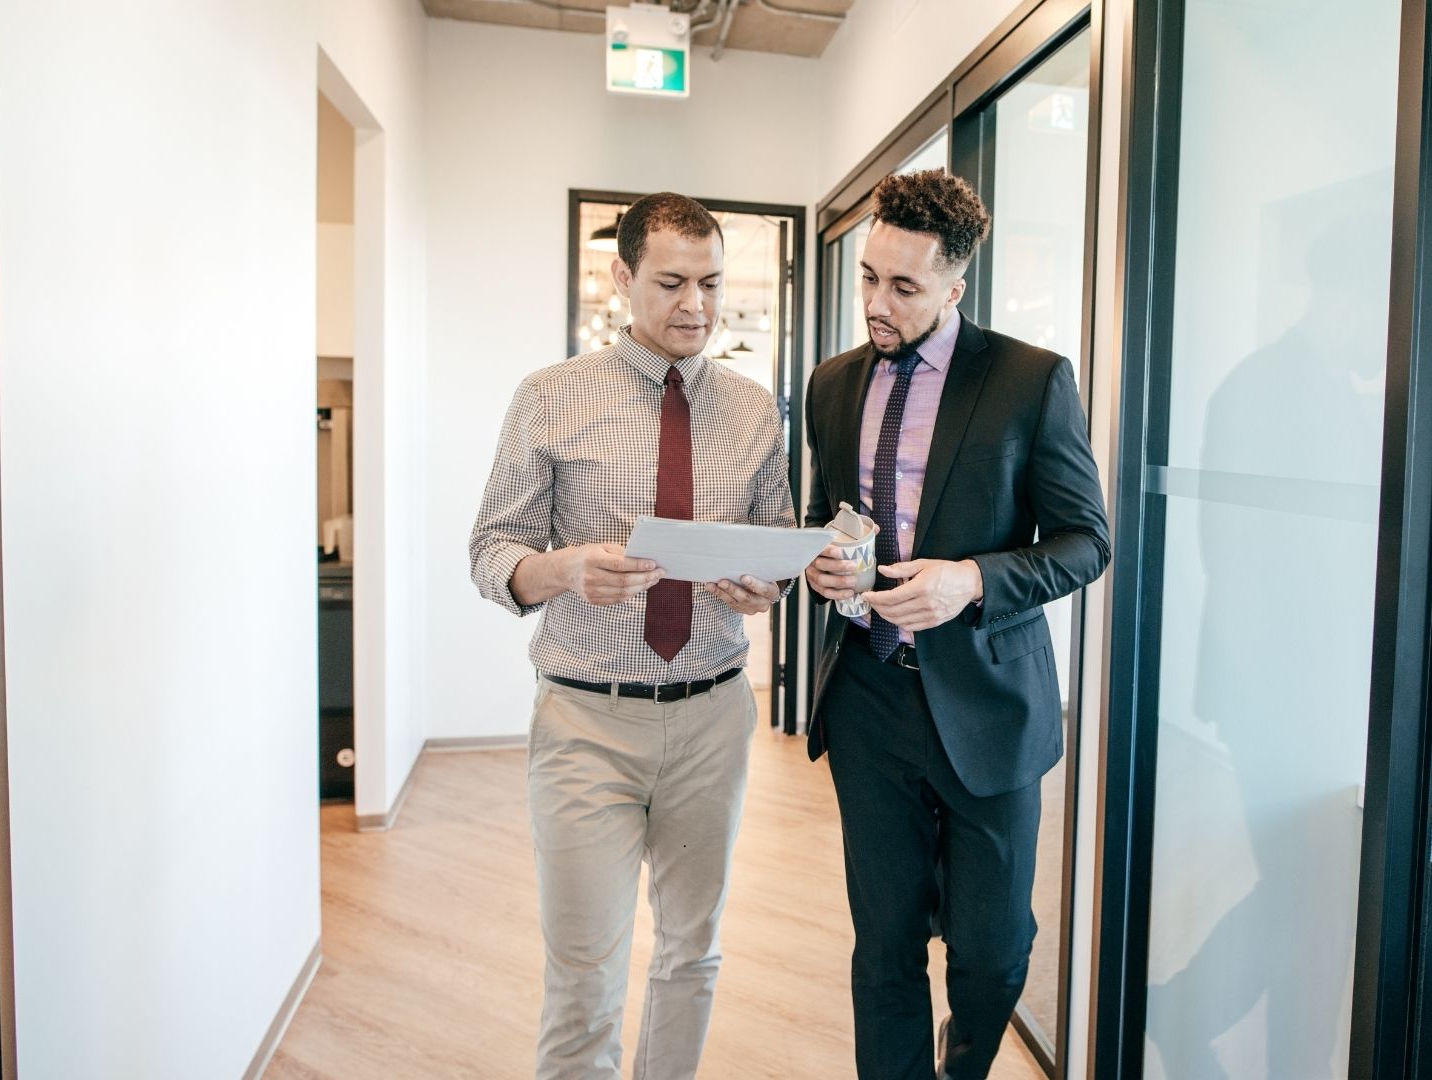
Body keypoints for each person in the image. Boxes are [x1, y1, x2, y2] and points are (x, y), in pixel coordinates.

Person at [469, 191, 791, 1080]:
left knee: (693, 952)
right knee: (584, 966)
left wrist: (761, 585)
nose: (696, 305)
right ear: (622, 277)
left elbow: (776, 542)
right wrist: (566, 568)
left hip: (713, 717)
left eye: (712, 283)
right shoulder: (549, 397)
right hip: (586, 721)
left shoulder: (757, 410)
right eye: (673, 282)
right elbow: (492, 550)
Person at [801, 169, 1110, 1079]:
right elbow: (829, 513)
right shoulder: (830, 384)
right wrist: (823, 561)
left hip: (988, 705)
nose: (877, 303)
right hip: (866, 698)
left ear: (954, 287)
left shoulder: (1029, 379)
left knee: (992, 952)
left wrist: (971, 580)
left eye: (904, 287)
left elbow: (1087, 542)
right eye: (868, 278)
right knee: (884, 947)